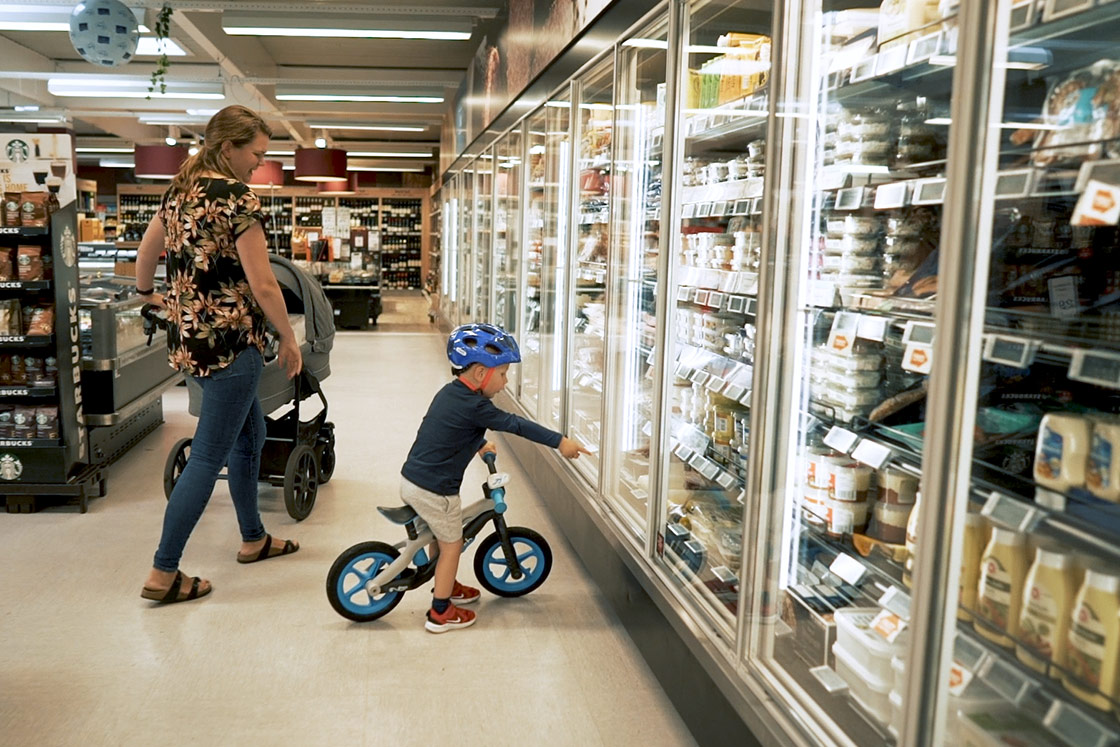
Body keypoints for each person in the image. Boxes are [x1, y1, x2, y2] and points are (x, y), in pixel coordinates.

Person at [134, 105, 303, 605]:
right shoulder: (236, 198)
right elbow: (265, 283)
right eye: (256, 154)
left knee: (248, 434)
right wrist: (289, 338)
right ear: (228, 147)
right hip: (232, 348)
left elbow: (147, 254)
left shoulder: (179, 191)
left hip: (190, 345)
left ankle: (253, 538)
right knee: (208, 457)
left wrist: (149, 294)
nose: (259, 163)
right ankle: (164, 572)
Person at [400, 322, 591, 633]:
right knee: (452, 544)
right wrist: (560, 442)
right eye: (502, 374)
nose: (504, 383)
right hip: (434, 490)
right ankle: (440, 612)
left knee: (440, 537)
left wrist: (477, 443)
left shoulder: (451, 394)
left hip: (414, 479)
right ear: (480, 374)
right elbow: (515, 424)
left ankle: (444, 584)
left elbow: (446, 428)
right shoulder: (478, 406)